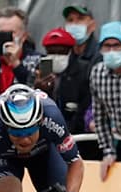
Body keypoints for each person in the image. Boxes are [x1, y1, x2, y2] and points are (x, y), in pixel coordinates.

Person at [34, 27, 96, 160]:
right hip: (44, 142)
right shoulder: (37, 72)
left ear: (71, 51)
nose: (56, 56)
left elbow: (86, 107)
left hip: (78, 142)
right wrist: (39, 90)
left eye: (61, 52)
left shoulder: (84, 71)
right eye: (51, 52)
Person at [89, 21, 121, 180]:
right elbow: (100, 116)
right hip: (120, 143)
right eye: (107, 46)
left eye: (117, 45)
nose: (112, 50)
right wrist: (108, 151)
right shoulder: (97, 73)